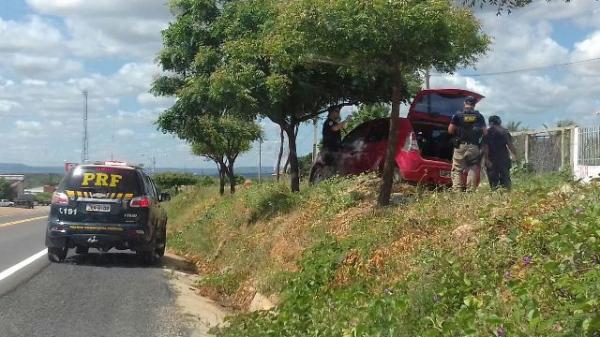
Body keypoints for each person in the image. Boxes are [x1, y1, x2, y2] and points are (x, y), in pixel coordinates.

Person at [448, 96, 486, 191]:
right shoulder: (479, 116)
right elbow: (485, 132)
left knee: (457, 169)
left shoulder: (458, 115)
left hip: (460, 146)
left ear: (465, 103)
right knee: (472, 168)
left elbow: (450, 130)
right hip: (474, 146)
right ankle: (470, 191)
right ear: (474, 105)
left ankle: (457, 191)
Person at [483, 115, 518, 190]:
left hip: (491, 158)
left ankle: (495, 193)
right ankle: (506, 193)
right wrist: (514, 154)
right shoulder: (504, 132)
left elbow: (486, 147)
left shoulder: (487, 133)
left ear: (490, 123)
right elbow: (510, 145)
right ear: (499, 122)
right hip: (503, 157)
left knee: (493, 178)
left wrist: (486, 159)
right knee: (505, 177)